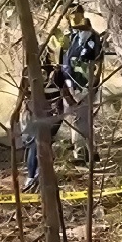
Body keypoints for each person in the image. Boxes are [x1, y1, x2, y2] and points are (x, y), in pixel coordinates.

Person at [20, 56, 77, 192]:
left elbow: (65, 93)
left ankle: (37, 176)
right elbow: (22, 93)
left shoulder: (56, 73)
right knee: (35, 144)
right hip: (35, 114)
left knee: (40, 143)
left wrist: (76, 107)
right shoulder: (28, 72)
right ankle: (34, 176)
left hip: (51, 115)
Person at [57, 4, 104, 165]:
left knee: (80, 118)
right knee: (74, 118)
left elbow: (96, 61)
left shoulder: (92, 36)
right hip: (68, 81)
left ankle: (82, 155)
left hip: (84, 83)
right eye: (70, 14)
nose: (72, 17)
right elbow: (62, 59)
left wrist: (93, 83)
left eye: (76, 13)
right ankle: (89, 151)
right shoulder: (68, 36)